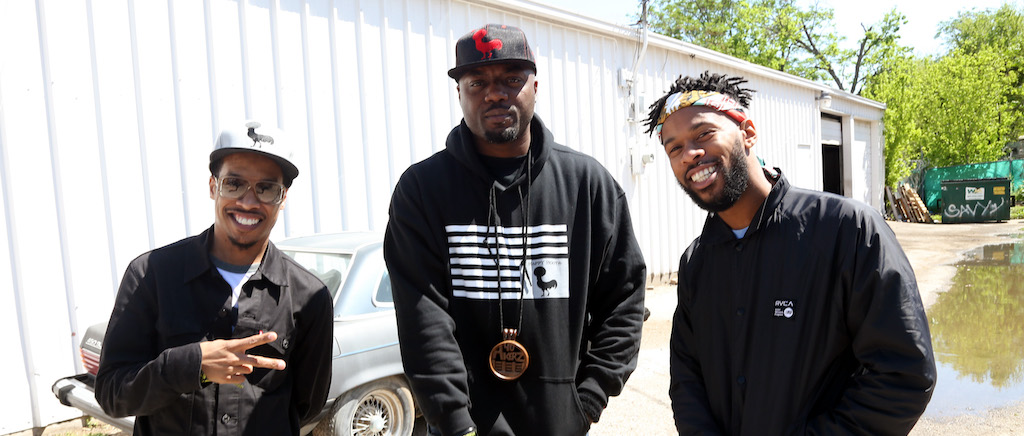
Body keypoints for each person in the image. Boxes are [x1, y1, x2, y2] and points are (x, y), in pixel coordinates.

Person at [384, 24, 647, 436]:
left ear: (535, 87)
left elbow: (625, 299)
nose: (495, 93)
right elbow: (423, 321)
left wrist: (589, 399)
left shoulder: (587, 184)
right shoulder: (422, 190)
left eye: (511, 79)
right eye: (477, 82)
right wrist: (455, 423)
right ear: (459, 93)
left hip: (560, 425)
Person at [646, 72, 936, 435]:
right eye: (674, 148)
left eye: (704, 133)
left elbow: (903, 374)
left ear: (748, 132)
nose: (690, 153)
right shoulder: (697, 263)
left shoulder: (846, 231)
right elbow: (687, 380)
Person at [95, 121, 334, 435]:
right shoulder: (151, 275)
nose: (248, 202)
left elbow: (306, 405)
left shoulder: (309, 297)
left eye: (266, 188)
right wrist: (191, 366)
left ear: (283, 197)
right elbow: (112, 394)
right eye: (234, 183)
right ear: (213, 187)